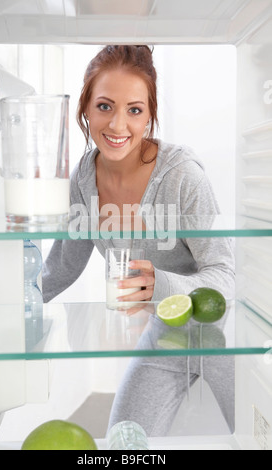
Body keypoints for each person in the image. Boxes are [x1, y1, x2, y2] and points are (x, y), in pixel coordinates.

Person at [42, 45, 235, 435]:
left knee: (258, 433)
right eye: (104, 106)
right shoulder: (83, 179)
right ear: (84, 109)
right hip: (166, 334)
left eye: (134, 110)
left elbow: (226, 277)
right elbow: (61, 265)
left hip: (227, 336)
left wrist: (157, 285)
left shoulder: (181, 175)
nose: (117, 126)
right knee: (125, 439)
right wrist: (9, 304)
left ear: (150, 116)